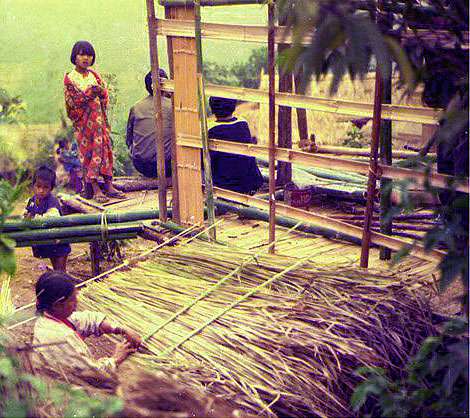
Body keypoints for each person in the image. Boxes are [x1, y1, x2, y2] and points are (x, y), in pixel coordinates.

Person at [32, 270, 141, 374]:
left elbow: (89, 320)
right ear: (57, 304)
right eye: (72, 300)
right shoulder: (59, 338)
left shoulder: (52, 315)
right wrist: (115, 359)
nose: (77, 303)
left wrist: (121, 329)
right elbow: (91, 374)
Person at [63, 40, 125, 203]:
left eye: (89, 55)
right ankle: (96, 189)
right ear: (75, 56)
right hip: (84, 126)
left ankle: (109, 185)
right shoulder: (70, 79)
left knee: (105, 150)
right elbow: (72, 103)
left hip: (100, 124)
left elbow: (104, 97)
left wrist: (100, 92)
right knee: (89, 153)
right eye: (82, 54)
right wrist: (91, 93)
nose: (86, 58)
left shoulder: (94, 76)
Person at [207, 97, 263, 194]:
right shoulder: (243, 124)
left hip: (225, 185)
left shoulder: (210, 130)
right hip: (249, 181)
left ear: (212, 109)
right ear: (234, 107)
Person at [126, 69, 173, 179]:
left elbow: (129, 140)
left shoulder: (136, 107)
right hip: (167, 166)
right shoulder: (173, 106)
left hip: (141, 165)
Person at [24, 166, 71, 271]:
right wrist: (26, 217)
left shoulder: (52, 201)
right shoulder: (31, 201)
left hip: (59, 241)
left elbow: (52, 218)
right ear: (33, 185)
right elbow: (26, 214)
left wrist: (33, 218)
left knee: (60, 270)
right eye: (38, 186)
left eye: (45, 187)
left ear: (51, 188)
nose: (41, 190)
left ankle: (63, 280)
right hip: (48, 241)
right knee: (55, 267)